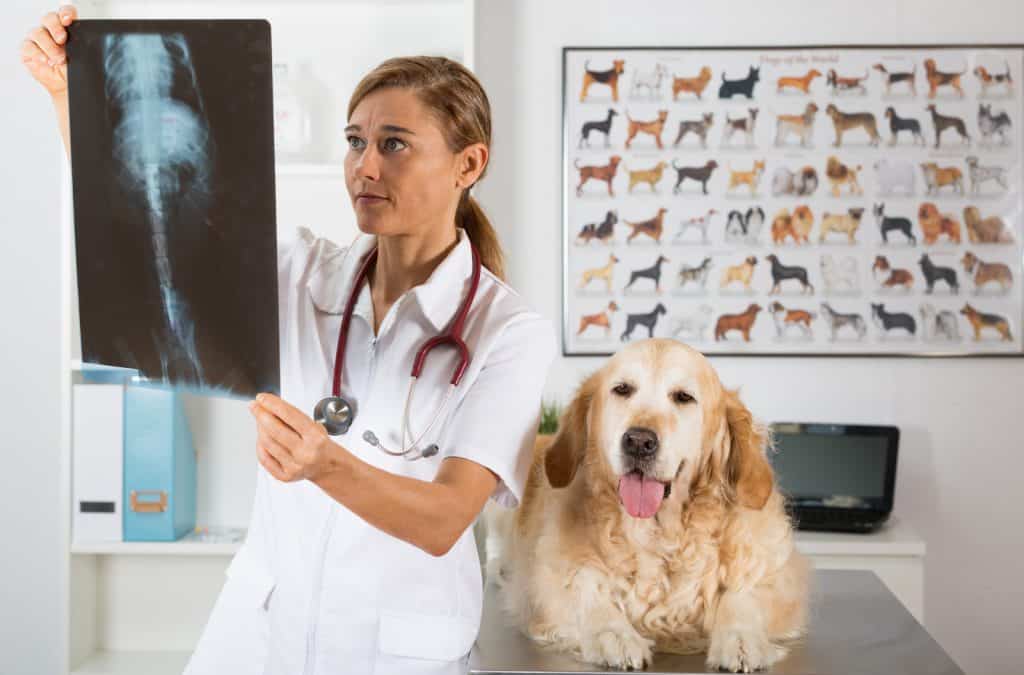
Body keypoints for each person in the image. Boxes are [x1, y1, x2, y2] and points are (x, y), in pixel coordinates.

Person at [23, 6, 557, 674]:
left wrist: (322, 464)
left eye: (394, 144)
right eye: (354, 141)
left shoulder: (508, 333)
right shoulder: (302, 273)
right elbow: (150, 235)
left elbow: (444, 517)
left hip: (396, 652)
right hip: (259, 635)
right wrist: (69, 98)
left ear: (468, 163)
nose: (364, 166)